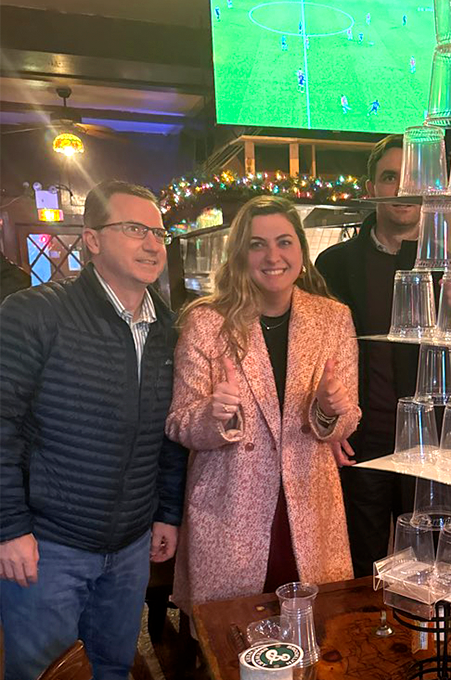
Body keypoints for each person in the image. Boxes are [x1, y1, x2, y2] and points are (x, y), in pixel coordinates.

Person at [0, 180, 187, 680]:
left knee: (112, 667)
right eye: (134, 229)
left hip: (130, 547)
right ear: (93, 239)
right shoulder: (37, 313)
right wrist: (9, 527)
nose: (152, 244)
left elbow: (169, 432)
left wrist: (166, 514)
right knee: (44, 673)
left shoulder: (168, 328)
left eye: (159, 233)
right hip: (48, 545)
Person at [166, 196, 358, 613]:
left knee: (314, 632)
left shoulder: (333, 318)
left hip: (307, 507)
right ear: (239, 254)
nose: (273, 256)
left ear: (301, 252)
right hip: (231, 507)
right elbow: (180, 423)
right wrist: (213, 415)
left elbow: (347, 418)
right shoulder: (206, 322)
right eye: (257, 244)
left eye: (284, 242)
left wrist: (328, 410)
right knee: (234, 638)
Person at [315, 135, 422, 577]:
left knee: (429, 563)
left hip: (429, 443)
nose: (400, 188)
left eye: (412, 177)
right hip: (362, 441)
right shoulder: (335, 265)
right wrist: (329, 423)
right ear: (372, 187)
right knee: (363, 564)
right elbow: (314, 355)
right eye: (389, 177)